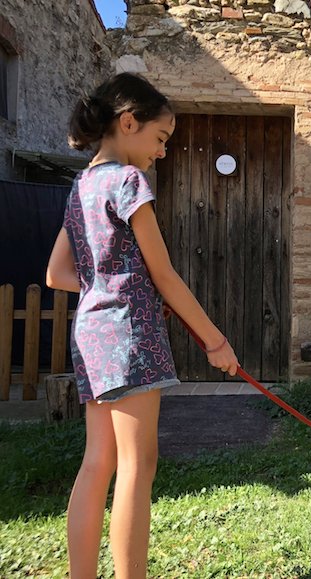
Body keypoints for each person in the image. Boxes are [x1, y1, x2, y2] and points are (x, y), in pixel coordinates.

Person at [46, 72, 239, 579]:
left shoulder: (81, 186)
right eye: (160, 137)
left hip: (90, 334)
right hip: (130, 336)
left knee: (97, 462)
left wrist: (107, 283)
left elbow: (57, 274)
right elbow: (164, 274)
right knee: (137, 464)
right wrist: (215, 341)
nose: (162, 151)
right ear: (128, 123)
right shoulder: (129, 182)